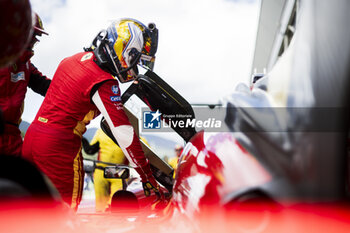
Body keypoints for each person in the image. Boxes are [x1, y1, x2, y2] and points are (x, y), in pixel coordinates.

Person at [22, 18, 162, 210]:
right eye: (136, 61)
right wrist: (146, 175)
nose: (134, 69)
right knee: (62, 218)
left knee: (28, 214)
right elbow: (125, 134)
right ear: (124, 50)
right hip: (59, 150)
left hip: (31, 140)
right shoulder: (105, 82)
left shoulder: (73, 59)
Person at [0, 13, 50, 156]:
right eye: (32, 34)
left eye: (36, 36)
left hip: (13, 137)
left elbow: (47, 87)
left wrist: (75, 90)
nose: (35, 39)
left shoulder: (27, 65)